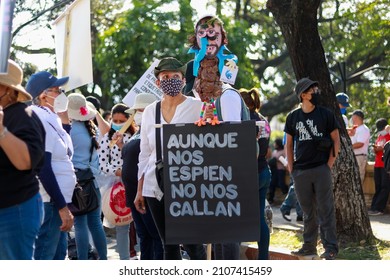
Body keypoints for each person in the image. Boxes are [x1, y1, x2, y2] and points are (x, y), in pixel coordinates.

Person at [134, 57, 205, 260]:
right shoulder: (150, 111)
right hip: (154, 185)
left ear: (183, 81)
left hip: (187, 184)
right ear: (158, 82)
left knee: (193, 243)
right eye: (165, 77)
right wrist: (140, 190)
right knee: (168, 244)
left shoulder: (197, 106)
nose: (171, 80)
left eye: (176, 76)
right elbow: (144, 153)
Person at [187, 14, 243, 260]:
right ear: (195, 36)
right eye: (203, 33)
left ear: (222, 38)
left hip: (224, 133)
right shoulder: (190, 66)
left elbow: (227, 94)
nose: (209, 38)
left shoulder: (230, 63)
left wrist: (214, 110)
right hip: (198, 138)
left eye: (214, 34)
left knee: (225, 216)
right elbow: (189, 101)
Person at [285, 77, 340, 260]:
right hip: (301, 172)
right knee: (308, 212)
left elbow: (336, 140)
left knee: (326, 210)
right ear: (303, 95)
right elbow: (289, 144)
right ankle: (309, 246)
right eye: (311, 90)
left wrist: (328, 165)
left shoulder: (326, 114)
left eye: (315, 89)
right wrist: (292, 168)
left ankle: (330, 248)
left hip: (321, 169)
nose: (315, 92)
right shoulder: (292, 117)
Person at [26, 70, 76, 260]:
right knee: (46, 257)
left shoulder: (49, 116)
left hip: (57, 200)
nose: (61, 94)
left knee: (57, 255)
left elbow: (65, 148)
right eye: (56, 90)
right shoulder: (39, 117)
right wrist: (62, 206)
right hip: (51, 201)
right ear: (43, 95)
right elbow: (44, 166)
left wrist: (64, 117)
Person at [0, 60, 45, 260]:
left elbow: (26, 161)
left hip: (15, 209)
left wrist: (1, 131)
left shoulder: (23, 116)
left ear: (8, 90)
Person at [121, 93, 164, 260]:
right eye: (137, 111)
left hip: (147, 193)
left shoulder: (155, 132)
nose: (138, 114)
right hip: (134, 194)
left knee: (155, 236)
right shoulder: (138, 132)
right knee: (144, 236)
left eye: (141, 110)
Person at [67, 93, 108, 259]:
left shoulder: (69, 131)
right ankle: (104, 259)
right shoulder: (92, 129)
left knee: (80, 224)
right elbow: (106, 131)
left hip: (76, 183)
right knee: (96, 223)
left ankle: (83, 261)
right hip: (93, 182)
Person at [98, 103, 136, 260]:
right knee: (119, 220)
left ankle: (127, 258)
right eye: (115, 120)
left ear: (129, 120)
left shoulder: (134, 138)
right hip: (112, 184)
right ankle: (123, 258)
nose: (118, 123)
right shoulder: (107, 138)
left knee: (128, 224)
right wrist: (115, 171)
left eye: (122, 120)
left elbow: (135, 159)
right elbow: (101, 163)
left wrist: (122, 146)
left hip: (130, 182)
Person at [239, 87, 271, 260]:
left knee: (235, 216)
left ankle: (232, 257)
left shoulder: (242, 120)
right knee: (260, 219)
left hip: (248, 173)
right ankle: (263, 259)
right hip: (264, 171)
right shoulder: (263, 120)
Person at [369, 118, 390, 216]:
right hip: (377, 163)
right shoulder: (379, 136)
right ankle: (373, 207)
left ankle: (379, 208)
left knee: (384, 186)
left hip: (385, 164)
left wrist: (383, 148)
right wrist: (376, 149)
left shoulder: (388, 136)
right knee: (378, 186)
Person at [349, 109, 370, 185]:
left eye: (353, 117)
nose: (352, 119)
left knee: (358, 180)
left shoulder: (364, 129)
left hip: (359, 157)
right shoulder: (355, 129)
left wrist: (348, 147)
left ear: (357, 117)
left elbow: (360, 144)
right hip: (353, 156)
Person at [268, 138, 288, 204]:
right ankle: (270, 199)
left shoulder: (283, 151)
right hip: (274, 170)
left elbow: (285, 162)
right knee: (272, 184)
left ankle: (286, 195)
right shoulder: (274, 151)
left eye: (275, 143)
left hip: (281, 170)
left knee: (281, 183)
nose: (274, 144)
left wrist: (278, 160)